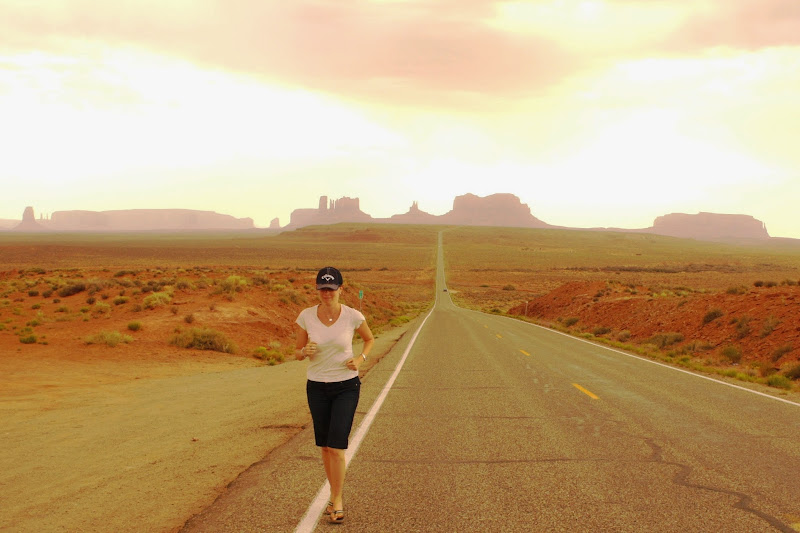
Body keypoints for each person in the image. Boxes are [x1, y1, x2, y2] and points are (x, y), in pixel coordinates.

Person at [294, 266, 375, 524]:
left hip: (345, 386)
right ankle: (333, 494)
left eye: (331, 288)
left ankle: (337, 498)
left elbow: (369, 339)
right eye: (322, 289)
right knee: (326, 446)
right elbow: (296, 352)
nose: (326, 293)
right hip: (317, 387)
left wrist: (360, 358)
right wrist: (304, 351)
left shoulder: (352, 316)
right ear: (318, 290)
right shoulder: (306, 316)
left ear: (341, 288)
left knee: (337, 446)